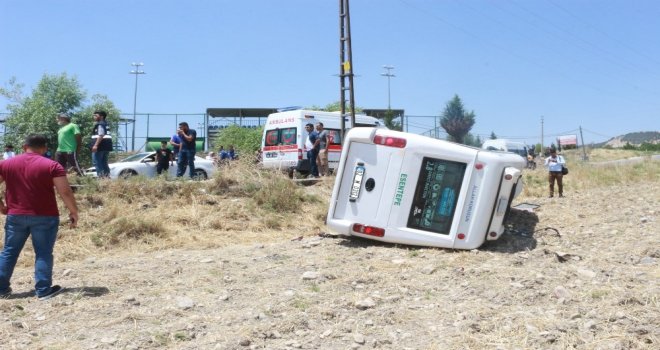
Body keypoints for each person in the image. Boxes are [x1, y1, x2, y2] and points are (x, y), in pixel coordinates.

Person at [0, 134, 79, 300]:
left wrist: (1, 207)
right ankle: (43, 290)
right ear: (44, 149)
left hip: (15, 215)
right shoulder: (52, 166)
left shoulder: (5, 164)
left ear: (23, 147)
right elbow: (64, 191)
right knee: (43, 253)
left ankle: (1, 289)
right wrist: (73, 211)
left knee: (9, 252)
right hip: (46, 216)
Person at [90, 110, 113, 178]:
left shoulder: (100, 124)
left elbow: (101, 134)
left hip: (100, 146)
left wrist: (95, 145)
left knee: (97, 162)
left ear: (102, 117)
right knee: (104, 162)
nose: (94, 117)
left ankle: (101, 178)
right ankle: (107, 177)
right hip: (106, 146)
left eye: (96, 115)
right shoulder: (105, 124)